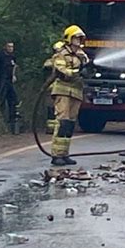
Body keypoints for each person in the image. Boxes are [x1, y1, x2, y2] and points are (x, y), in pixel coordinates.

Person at [49, 25, 89, 166]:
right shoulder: (61, 53)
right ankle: (56, 155)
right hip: (63, 90)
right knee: (62, 121)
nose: (78, 40)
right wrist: (76, 72)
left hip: (76, 91)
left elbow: (86, 64)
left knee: (70, 123)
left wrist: (87, 68)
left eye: (80, 37)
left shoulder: (81, 54)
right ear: (69, 38)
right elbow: (61, 69)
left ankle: (65, 154)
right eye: (76, 37)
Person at [43, 41, 65, 134]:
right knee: (52, 108)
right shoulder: (54, 60)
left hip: (59, 88)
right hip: (55, 88)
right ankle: (52, 128)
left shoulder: (61, 60)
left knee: (58, 108)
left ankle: (55, 128)